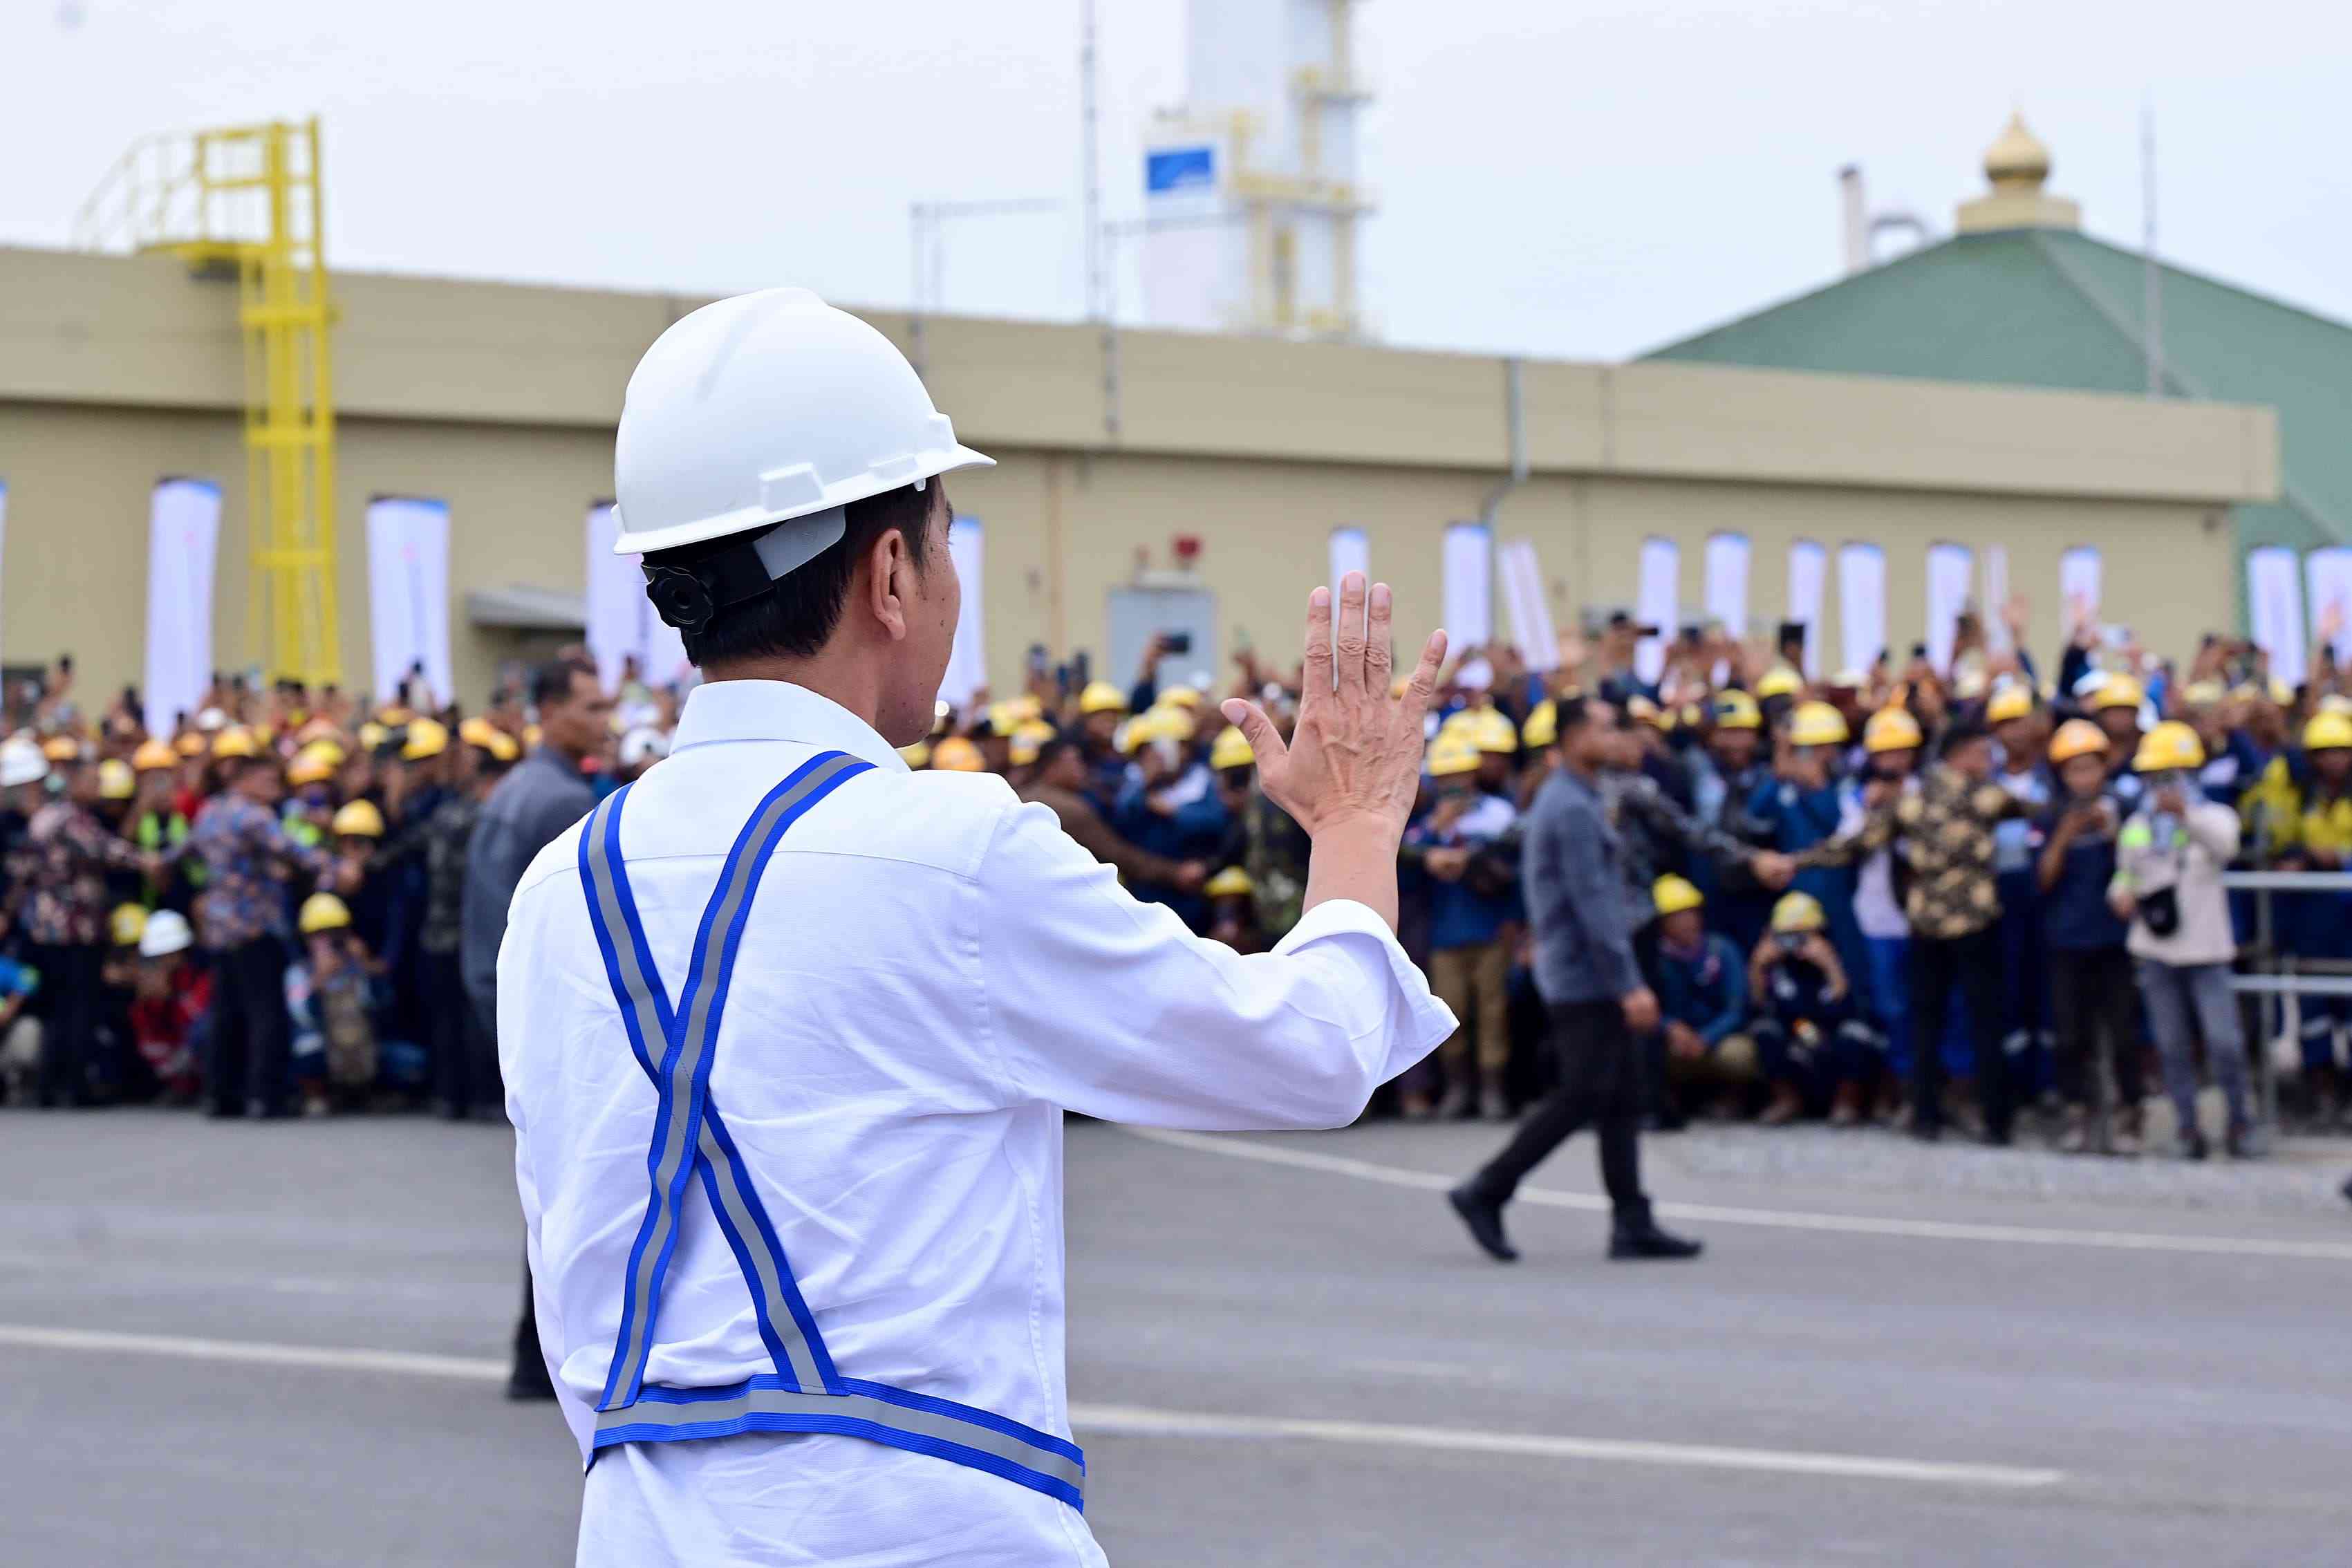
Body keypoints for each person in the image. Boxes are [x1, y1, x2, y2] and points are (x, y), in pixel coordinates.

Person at [499, 288, 1452, 1567]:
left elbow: (579, 1290)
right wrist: (1353, 826)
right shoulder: (952, 853)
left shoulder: (560, 888)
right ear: (892, 572)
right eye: (944, 543)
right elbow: (1306, 1051)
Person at [1448, 694, 1704, 1264]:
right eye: (1605, 728)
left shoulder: (1579, 798)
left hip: (1584, 972)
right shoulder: (1569, 807)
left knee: (1620, 1097)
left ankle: (1631, 1221)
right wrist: (1628, 984)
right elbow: (1595, 906)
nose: (1616, 739)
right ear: (1571, 738)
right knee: (1585, 1093)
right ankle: (1487, 1190)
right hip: (1584, 977)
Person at [464, 654, 610, 1401]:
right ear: (549, 711)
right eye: (589, 707)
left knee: (552, 1188)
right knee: (575, 1192)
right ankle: (545, 1356)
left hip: (504, 1004)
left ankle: (534, 1355)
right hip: (546, 1014)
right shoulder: (557, 801)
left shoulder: (521, 789)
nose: (604, 719)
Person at [1798, 720, 2030, 1143]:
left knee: (1927, 1020)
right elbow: (2034, 809)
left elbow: (1856, 844)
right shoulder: (1984, 795)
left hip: (1926, 924)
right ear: (1960, 754)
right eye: (1981, 752)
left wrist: (1796, 861)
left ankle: (1926, 1115)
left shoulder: (1913, 799)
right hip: (1974, 924)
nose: (1987, 760)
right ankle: (1994, 1119)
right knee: (1981, 1020)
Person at [2112, 721, 2252, 1159]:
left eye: (2173, 774)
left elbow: (2227, 846)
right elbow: (2126, 870)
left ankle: (2239, 1122)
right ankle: (2188, 1128)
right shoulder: (2138, 823)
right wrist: (2119, 892)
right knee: (2170, 1045)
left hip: (2207, 949)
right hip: (2156, 949)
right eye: (2156, 776)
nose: (2164, 785)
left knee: (2223, 1041)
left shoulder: (2212, 816)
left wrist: (2184, 816)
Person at [10, 739, 151, 1106]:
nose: (100, 788)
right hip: (73, 930)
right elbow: (108, 850)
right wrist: (149, 861)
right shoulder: (70, 820)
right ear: (74, 783)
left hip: (45, 928)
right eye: (93, 780)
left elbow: (21, 871)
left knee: (58, 1010)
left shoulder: (43, 818)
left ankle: (49, 1086)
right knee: (78, 1009)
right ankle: (72, 1087)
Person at [2034, 720, 2143, 1154]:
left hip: (2114, 941)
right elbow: (2042, 879)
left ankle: (2129, 1114)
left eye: (2091, 768)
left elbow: (2139, 865)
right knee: (2068, 1034)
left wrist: (2112, 832)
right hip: (2066, 940)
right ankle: (2077, 1111)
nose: (2084, 778)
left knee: (2122, 1033)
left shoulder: (2125, 809)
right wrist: (2064, 836)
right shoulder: (2050, 816)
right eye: (2074, 770)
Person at [1402, 729, 1522, 1120]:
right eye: (1445, 778)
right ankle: (1457, 1088)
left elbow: (1516, 872)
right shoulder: (1423, 823)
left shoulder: (1499, 815)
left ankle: (1492, 1091)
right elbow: (1404, 865)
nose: (1454, 785)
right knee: (1450, 1011)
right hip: (1444, 933)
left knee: (1492, 1013)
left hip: (1489, 931)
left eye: (1461, 776)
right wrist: (1436, 832)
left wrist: (1514, 920)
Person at [1646, 874, 1754, 1121]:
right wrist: (1670, 1027)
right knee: (1647, 1049)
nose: (1686, 922)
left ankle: (1732, 1098)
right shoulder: (1654, 959)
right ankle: (1668, 1100)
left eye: (1690, 913)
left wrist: (1706, 1037)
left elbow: (1736, 1009)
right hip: (1675, 1041)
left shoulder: (1723, 950)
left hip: (1717, 1039)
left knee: (1738, 1055)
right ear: (1661, 922)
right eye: (1676, 916)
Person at [1748, 890, 1857, 1125]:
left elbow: (1849, 1009)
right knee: (1764, 1030)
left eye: (1803, 935)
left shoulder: (1836, 955)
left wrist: (1831, 967)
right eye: (1787, 936)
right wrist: (1757, 968)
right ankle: (1787, 1100)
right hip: (1796, 1030)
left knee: (1856, 1036)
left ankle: (1845, 1103)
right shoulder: (1775, 966)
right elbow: (1757, 1007)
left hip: (1831, 1032)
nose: (1795, 943)